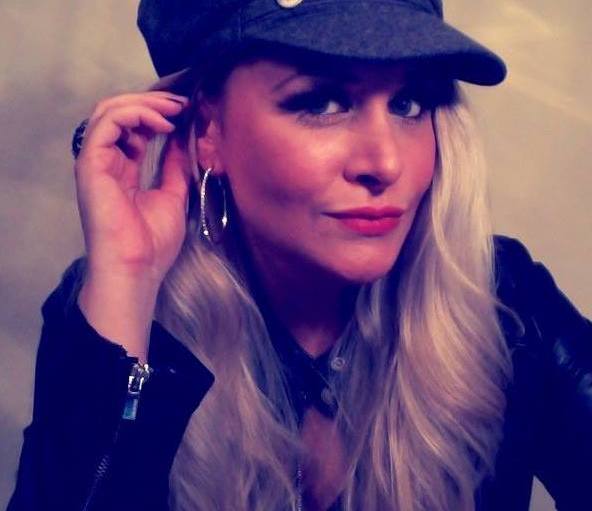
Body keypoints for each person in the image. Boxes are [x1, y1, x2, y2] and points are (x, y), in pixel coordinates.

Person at [7, 0, 592, 510]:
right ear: (208, 130)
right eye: (323, 101)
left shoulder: (503, 301)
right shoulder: (115, 310)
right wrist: (128, 282)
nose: (386, 163)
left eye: (410, 103)